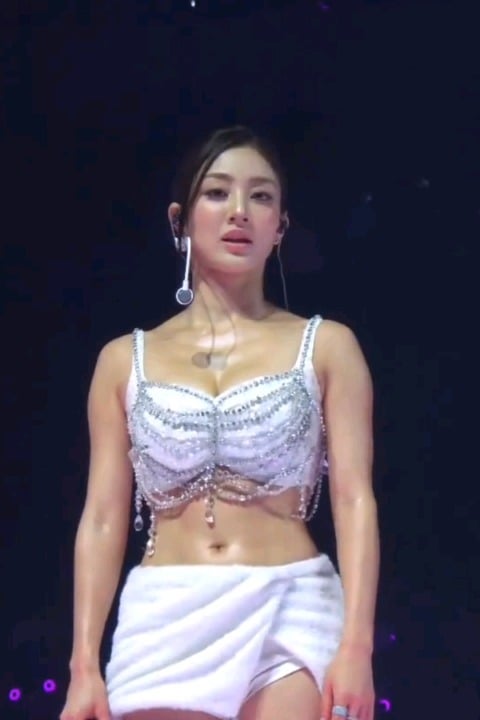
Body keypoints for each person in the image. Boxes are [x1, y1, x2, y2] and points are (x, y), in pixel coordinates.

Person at [60, 125, 379, 720]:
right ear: (179, 220)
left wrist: (357, 646)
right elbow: (102, 518)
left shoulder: (328, 347)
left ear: (280, 227)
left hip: (289, 605)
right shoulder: (121, 362)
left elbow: (354, 499)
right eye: (217, 193)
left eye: (261, 196)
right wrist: (83, 666)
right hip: (165, 615)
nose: (240, 212)